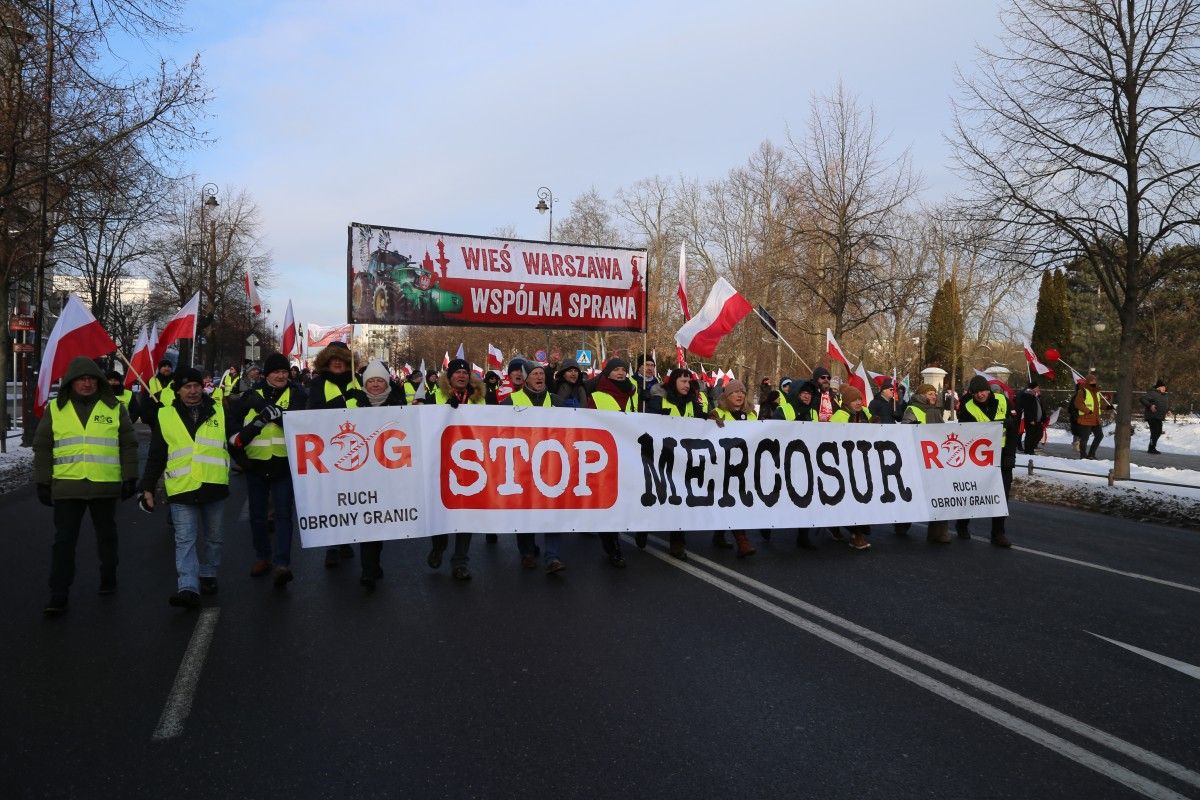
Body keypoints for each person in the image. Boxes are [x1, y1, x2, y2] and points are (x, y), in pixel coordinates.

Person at [33, 357, 139, 615]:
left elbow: (128, 444)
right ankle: (59, 593)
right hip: (68, 485)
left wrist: (130, 477)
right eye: (81, 379)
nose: (87, 383)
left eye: (92, 378)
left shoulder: (114, 407)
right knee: (64, 542)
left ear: (99, 381)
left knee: (107, 536)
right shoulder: (55, 409)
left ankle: (108, 576)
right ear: (71, 382)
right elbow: (43, 446)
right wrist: (43, 481)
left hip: (104, 484)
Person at [140, 367, 236, 609]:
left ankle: (208, 574)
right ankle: (188, 587)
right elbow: (157, 455)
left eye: (196, 386)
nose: (192, 391)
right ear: (178, 390)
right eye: (186, 387)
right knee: (185, 540)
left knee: (214, 538)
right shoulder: (166, 415)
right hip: (182, 488)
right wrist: (147, 487)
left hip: (213, 485)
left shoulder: (218, 410)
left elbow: (234, 442)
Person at [229, 352, 309, 589]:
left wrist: (277, 417)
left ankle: (282, 563)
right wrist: (241, 460)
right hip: (256, 464)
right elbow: (233, 430)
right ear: (267, 374)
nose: (281, 376)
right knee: (257, 515)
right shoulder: (251, 396)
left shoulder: (297, 393)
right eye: (276, 372)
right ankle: (262, 556)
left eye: (284, 372)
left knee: (284, 514)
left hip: (284, 463)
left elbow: (301, 424)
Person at [500, 363, 567, 572]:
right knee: (525, 510)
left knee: (553, 510)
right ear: (526, 379)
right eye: (535, 374)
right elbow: (498, 429)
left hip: (552, 464)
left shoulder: (556, 401)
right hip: (522, 465)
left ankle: (552, 557)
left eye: (542, 374)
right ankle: (527, 552)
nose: (539, 377)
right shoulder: (510, 401)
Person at [305, 341, 366, 567]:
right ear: (326, 362)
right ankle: (332, 544)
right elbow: (314, 413)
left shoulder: (358, 382)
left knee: (352, 498)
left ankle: (346, 539)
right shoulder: (318, 383)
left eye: (341, 359)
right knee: (332, 500)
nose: (337, 363)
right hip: (330, 452)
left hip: (359, 451)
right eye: (333, 360)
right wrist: (343, 400)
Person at [426, 359, 482, 579]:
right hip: (441, 463)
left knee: (465, 515)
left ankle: (460, 562)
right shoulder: (435, 397)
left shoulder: (480, 400)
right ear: (449, 377)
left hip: (472, 465)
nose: (461, 376)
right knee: (441, 510)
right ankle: (439, 546)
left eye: (464, 372)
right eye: (457, 372)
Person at [641, 368, 704, 558]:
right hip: (660, 457)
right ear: (674, 382)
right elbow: (648, 424)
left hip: (683, 459)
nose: (687, 385)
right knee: (657, 494)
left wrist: (711, 418)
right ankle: (642, 526)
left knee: (679, 499)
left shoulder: (693, 402)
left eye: (688, 381)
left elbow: (701, 421)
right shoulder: (660, 400)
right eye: (683, 381)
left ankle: (677, 543)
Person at [354, 359, 405, 591]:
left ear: (386, 383)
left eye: (379, 381)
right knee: (367, 520)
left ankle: (374, 563)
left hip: (389, 473)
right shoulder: (353, 402)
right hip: (360, 472)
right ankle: (368, 570)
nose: (375, 385)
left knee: (380, 520)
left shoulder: (398, 402)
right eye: (371, 380)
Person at [955, 374, 1019, 547]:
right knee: (972, 493)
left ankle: (998, 534)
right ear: (972, 393)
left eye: (983, 391)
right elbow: (965, 434)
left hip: (1002, 456)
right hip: (978, 458)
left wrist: (1010, 455)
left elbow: (1013, 430)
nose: (981, 395)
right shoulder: (967, 408)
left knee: (1001, 495)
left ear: (988, 390)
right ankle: (962, 524)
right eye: (976, 392)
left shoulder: (1003, 401)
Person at [586, 358, 634, 566]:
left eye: (623, 369)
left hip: (630, 453)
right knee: (610, 502)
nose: (621, 373)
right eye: (616, 370)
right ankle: (613, 546)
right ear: (608, 373)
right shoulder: (596, 396)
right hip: (605, 455)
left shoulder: (634, 393)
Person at [709, 379, 759, 558]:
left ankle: (720, 535)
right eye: (734, 393)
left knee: (735, 501)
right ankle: (742, 541)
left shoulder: (752, 414)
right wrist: (711, 422)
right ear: (726, 396)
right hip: (723, 466)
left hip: (745, 466)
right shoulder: (717, 413)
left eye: (742, 392)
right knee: (731, 501)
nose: (739, 395)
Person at [902, 384, 951, 543]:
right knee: (913, 495)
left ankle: (938, 533)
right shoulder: (913, 410)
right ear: (922, 395)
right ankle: (902, 522)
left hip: (935, 461)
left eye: (935, 394)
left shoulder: (936, 411)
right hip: (917, 460)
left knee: (939, 495)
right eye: (930, 393)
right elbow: (906, 432)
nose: (933, 396)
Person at [828, 385, 871, 551]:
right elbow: (830, 439)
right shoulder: (840, 415)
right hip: (844, 464)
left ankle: (854, 531)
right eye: (854, 400)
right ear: (847, 402)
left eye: (860, 399)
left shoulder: (866, 413)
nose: (858, 402)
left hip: (863, 462)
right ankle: (856, 534)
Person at [1074, 373, 1104, 459]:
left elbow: (1099, 405)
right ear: (1087, 382)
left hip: (1095, 420)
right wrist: (1088, 411)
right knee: (1084, 439)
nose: (1094, 382)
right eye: (1092, 381)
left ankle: (1091, 454)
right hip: (1085, 419)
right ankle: (1083, 456)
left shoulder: (1096, 392)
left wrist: (1109, 407)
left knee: (1099, 436)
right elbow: (1078, 404)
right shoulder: (1083, 391)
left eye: (1095, 380)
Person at [1018, 381, 1046, 455]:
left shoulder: (1035, 396)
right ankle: (1028, 450)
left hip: (1038, 420)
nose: (1038, 389)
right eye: (1037, 387)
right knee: (1030, 435)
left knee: (1039, 434)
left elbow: (1040, 407)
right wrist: (1031, 419)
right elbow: (1028, 409)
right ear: (1033, 388)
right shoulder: (1027, 395)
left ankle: (1031, 448)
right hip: (1031, 420)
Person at [1141, 379, 1169, 454]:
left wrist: (1168, 410)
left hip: (1159, 417)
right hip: (1152, 416)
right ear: (1158, 388)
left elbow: (1163, 405)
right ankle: (1151, 448)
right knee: (1155, 432)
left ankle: (1152, 447)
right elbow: (1142, 399)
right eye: (1162, 387)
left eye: (1164, 387)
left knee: (1159, 432)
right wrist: (1150, 406)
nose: (1164, 388)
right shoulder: (1152, 393)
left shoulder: (1164, 395)